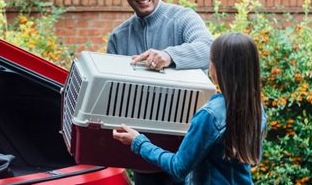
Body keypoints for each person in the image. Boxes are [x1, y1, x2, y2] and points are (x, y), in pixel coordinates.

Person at [107, 0, 213, 184]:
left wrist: (170, 56)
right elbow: (114, 96)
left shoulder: (184, 18)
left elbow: (209, 49)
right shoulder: (118, 38)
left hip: (186, 154)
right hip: (142, 157)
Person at [113, 33, 266, 184]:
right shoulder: (256, 109)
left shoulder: (210, 115)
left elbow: (179, 167)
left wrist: (138, 142)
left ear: (220, 68)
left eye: (211, 60)